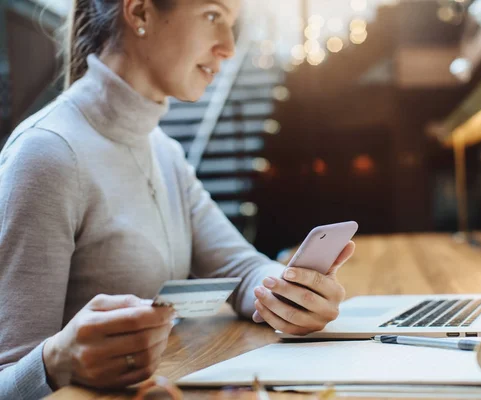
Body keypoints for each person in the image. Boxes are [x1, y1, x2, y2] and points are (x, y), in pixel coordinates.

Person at [0, 0, 355, 398]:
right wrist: (57, 359)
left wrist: (292, 295)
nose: (228, 46)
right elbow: (7, 376)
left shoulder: (164, 151)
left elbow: (239, 268)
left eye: (232, 23)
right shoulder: (47, 154)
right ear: (140, 14)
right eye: (212, 16)